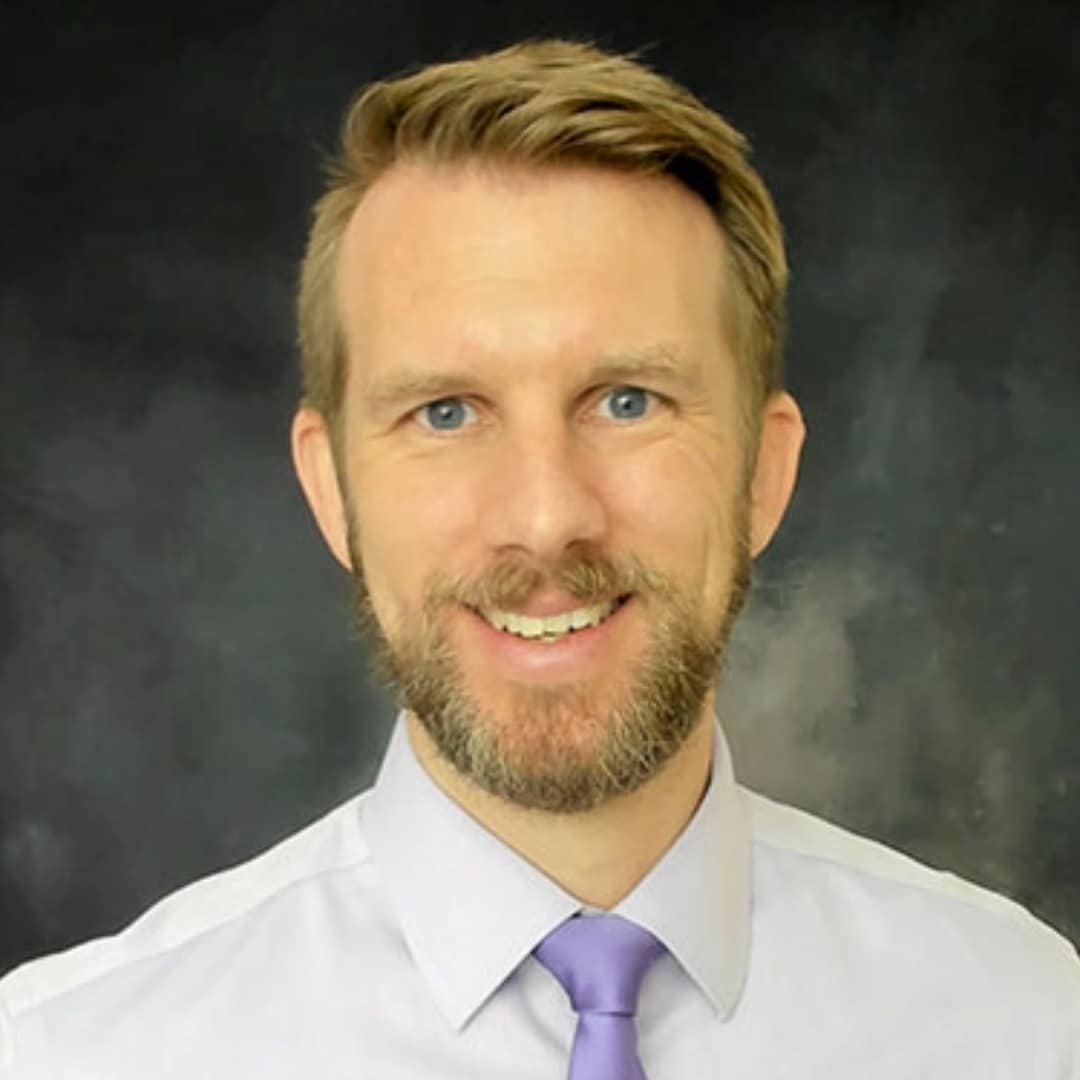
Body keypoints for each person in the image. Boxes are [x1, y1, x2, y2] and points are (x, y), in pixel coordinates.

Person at [1, 37, 1077, 1079]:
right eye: (445, 412)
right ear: (332, 490)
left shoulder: (1026, 1026)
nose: (547, 517)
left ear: (763, 473)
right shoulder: (73, 1054)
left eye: (626, 401)